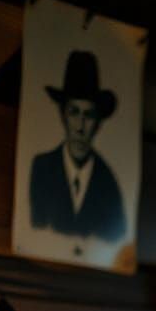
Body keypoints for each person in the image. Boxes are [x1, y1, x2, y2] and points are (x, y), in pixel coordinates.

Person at [29, 51, 126, 242]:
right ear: (63, 115)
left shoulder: (108, 184)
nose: (80, 126)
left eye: (88, 115)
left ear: (98, 123)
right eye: (74, 112)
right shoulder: (42, 168)